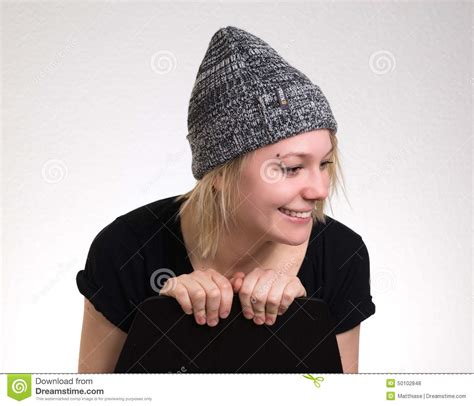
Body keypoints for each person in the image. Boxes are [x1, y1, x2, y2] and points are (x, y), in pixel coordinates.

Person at [77, 26, 376, 373]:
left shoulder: (341, 256)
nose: (320, 190)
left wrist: (302, 326)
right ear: (219, 173)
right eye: (292, 168)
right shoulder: (125, 249)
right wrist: (163, 325)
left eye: (323, 164)